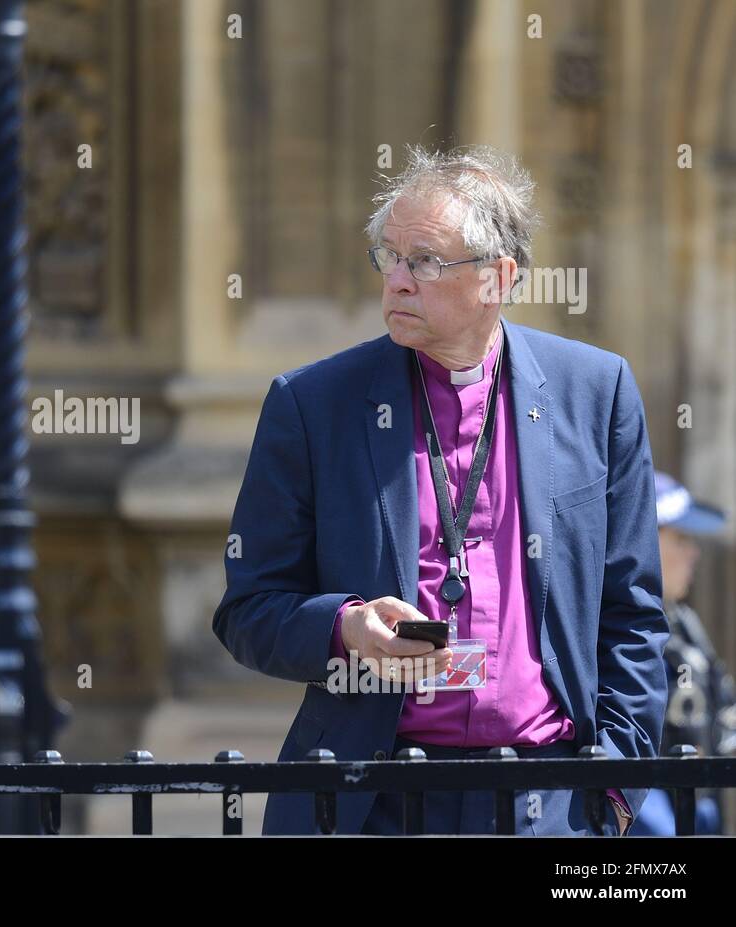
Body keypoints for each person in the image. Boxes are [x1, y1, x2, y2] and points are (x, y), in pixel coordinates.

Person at [212, 144, 668, 835]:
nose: (396, 281)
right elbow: (248, 608)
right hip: (378, 799)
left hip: (549, 798)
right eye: (388, 258)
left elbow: (633, 612)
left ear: (498, 276)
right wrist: (344, 628)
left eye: (423, 261)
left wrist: (614, 785)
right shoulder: (312, 404)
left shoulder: (596, 393)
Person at [627, 472, 735, 835]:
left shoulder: (685, 621)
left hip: (699, 808)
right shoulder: (616, 630)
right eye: (680, 537)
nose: (694, 552)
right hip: (651, 815)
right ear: (644, 540)